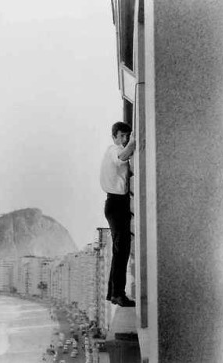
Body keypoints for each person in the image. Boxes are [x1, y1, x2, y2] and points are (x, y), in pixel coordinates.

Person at [100, 121, 136, 307]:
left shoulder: (117, 152)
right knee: (121, 251)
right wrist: (133, 143)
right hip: (115, 203)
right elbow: (121, 157)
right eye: (122, 136)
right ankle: (118, 294)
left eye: (127, 136)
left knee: (119, 251)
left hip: (117, 204)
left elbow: (128, 171)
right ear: (114, 137)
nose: (125, 139)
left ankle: (113, 293)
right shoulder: (113, 150)